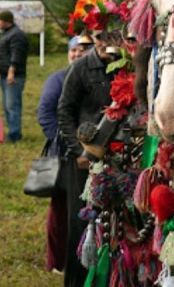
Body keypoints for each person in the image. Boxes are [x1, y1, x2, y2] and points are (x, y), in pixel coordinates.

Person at [57, 32, 116, 287]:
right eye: (101, 37)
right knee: (81, 223)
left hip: (116, 160)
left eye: (113, 37)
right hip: (83, 160)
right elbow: (64, 111)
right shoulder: (81, 67)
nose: (106, 43)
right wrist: (79, 151)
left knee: (116, 224)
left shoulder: (125, 67)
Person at [37, 35, 89, 274]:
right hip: (64, 155)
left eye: (82, 50)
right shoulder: (57, 79)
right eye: (74, 50)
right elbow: (46, 114)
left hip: (90, 155)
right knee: (60, 210)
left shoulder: (93, 77)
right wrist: (65, 139)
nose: (78, 54)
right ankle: (57, 260)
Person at [0, 10, 29, 143]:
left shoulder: (16, 35)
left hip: (14, 77)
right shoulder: (7, 34)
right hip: (5, 76)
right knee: (7, 106)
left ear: (6, 21)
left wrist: (11, 71)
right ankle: (12, 132)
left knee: (12, 105)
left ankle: (15, 134)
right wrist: (1, 74)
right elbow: (4, 55)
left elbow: (17, 55)